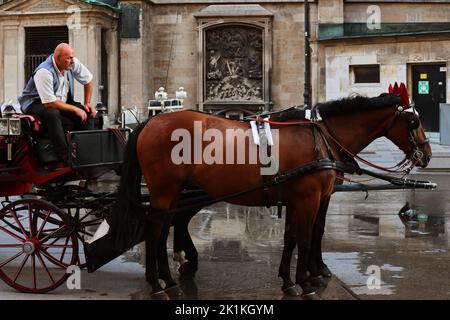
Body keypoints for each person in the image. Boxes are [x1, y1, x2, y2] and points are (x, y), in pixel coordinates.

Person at [18, 43, 97, 161]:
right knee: (52, 113)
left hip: (60, 102)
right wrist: (75, 109)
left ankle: (85, 152)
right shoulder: (44, 71)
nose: (72, 61)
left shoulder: (72, 63)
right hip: (36, 102)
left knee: (88, 112)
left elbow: (88, 80)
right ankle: (64, 154)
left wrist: (87, 103)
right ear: (57, 58)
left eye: (72, 57)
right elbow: (49, 102)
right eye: (69, 58)